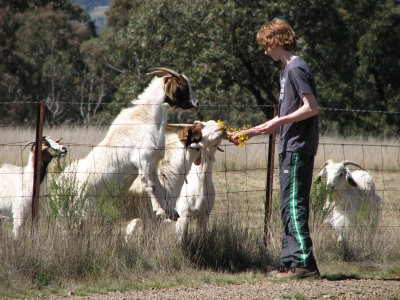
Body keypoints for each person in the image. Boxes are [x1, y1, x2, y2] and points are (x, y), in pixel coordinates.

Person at [229, 18, 320, 279]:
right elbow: (279, 120)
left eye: (266, 45)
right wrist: (248, 133)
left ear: (277, 41)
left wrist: (280, 120)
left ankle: (305, 263)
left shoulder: (296, 69)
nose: (265, 51)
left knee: (294, 205)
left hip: (297, 148)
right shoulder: (287, 71)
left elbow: (310, 107)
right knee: (286, 206)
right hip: (289, 146)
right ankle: (291, 263)